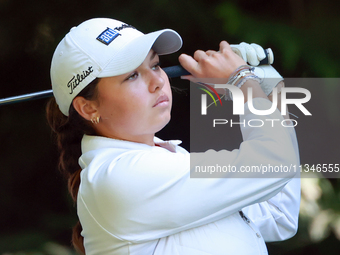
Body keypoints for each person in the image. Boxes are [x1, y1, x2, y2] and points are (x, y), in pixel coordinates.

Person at [46, 18, 300, 255]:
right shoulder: (119, 176)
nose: (157, 81)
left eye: (155, 65)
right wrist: (243, 80)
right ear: (89, 108)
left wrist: (268, 90)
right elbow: (275, 163)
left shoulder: (169, 160)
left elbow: (278, 215)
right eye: (132, 75)